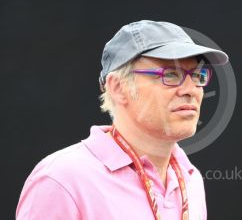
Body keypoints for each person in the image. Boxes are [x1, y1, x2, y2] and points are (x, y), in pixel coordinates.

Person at [16, 20, 228, 220]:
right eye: (171, 74)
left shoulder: (190, 179)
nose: (192, 90)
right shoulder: (62, 180)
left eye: (198, 76)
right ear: (118, 88)